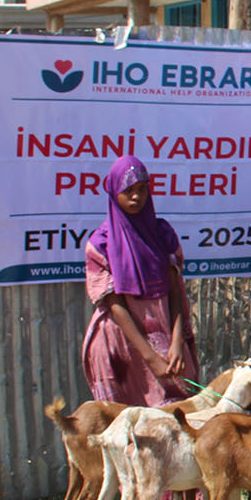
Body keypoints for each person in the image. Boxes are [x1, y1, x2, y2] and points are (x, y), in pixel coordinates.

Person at [82, 155, 199, 406]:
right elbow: (115, 305)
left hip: (166, 337)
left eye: (142, 190)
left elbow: (175, 291)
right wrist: (151, 358)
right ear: (114, 192)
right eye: (128, 191)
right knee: (128, 429)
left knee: (176, 420)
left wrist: (177, 340)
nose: (136, 197)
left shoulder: (162, 235)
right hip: (122, 346)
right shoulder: (100, 245)